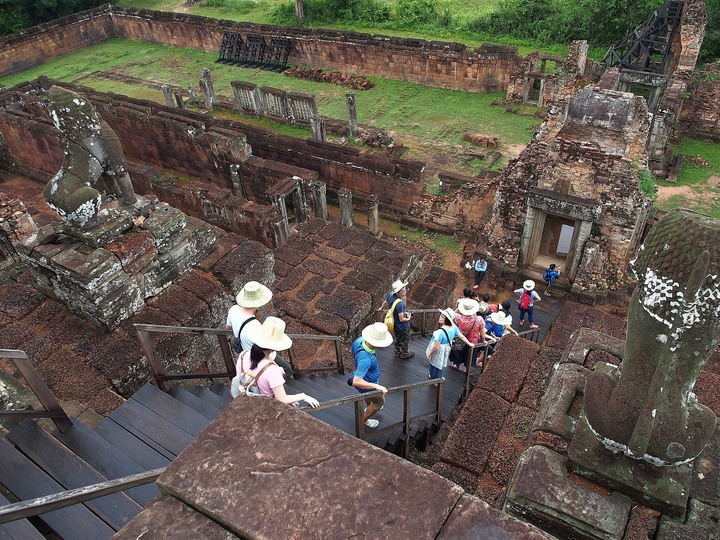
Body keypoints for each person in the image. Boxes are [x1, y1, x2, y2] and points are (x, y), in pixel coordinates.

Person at [233, 317, 319, 407]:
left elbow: (241, 376)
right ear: (275, 346)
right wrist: (303, 396)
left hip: (247, 399)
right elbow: (282, 399)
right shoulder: (273, 371)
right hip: (266, 405)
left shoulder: (243, 355)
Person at [226, 281, 293, 378]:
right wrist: (274, 365)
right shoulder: (255, 326)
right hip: (261, 356)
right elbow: (264, 348)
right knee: (287, 370)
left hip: (246, 354)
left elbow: (228, 327)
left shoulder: (234, 309)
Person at [351, 322, 394, 428]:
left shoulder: (359, 341)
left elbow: (352, 352)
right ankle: (362, 421)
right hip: (367, 384)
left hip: (365, 381)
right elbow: (356, 381)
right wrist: (376, 386)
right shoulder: (366, 358)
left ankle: (368, 407)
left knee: (369, 397)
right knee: (379, 402)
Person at [427, 308, 472, 381]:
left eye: (442, 316)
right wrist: (469, 343)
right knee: (441, 364)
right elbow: (461, 336)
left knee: (433, 363)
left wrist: (430, 354)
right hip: (447, 348)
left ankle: (432, 378)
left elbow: (435, 347)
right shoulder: (454, 327)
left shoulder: (439, 332)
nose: (440, 317)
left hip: (439, 349)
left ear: (447, 319)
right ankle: (438, 379)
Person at [452, 299, 487, 371]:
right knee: (469, 356)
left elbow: (453, 314)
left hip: (461, 340)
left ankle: (457, 366)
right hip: (472, 342)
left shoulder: (458, 318)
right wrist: (483, 340)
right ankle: (466, 370)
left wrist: (460, 308)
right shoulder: (479, 319)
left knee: (459, 353)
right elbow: (482, 331)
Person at [383, 279, 414, 359]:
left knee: (397, 338)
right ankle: (404, 353)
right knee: (405, 339)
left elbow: (385, 302)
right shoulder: (400, 304)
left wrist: (381, 308)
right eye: (402, 289)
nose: (404, 289)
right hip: (402, 326)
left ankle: (397, 352)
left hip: (394, 324)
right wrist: (409, 318)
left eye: (403, 287)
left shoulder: (390, 295)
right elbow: (402, 319)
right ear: (398, 292)